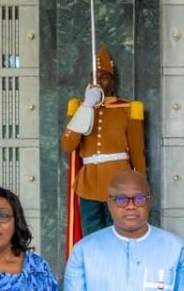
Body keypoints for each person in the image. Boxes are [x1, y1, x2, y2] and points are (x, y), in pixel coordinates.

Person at [62, 45, 146, 239]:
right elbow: (68, 145)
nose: (99, 82)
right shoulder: (80, 109)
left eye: (104, 77)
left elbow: (137, 151)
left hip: (119, 183)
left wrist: (140, 186)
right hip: (88, 184)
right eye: (94, 78)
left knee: (120, 234)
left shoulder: (126, 109)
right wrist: (87, 106)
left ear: (112, 82)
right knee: (91, 237)